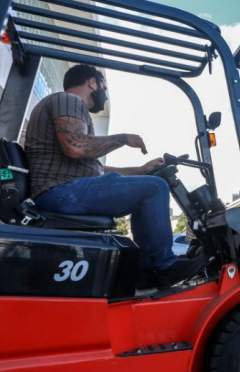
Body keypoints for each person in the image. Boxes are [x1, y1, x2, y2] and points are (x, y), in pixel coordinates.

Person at [25, 64, 205, 289]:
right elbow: (77, 147)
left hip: (65, 190)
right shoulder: (69, 100)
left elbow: (96, 170)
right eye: (104, 87)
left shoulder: (66, 104)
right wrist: (123, 138)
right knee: (155, 188)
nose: (104, 94)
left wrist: (140, 170)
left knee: (148, 185)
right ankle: (160, 267)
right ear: (93, 83)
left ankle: (149, 270)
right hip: (60, 191)